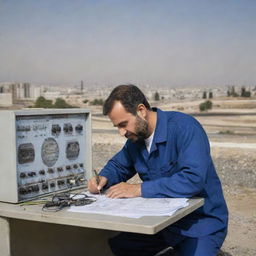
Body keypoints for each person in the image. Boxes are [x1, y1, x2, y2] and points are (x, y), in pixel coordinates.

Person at [88, 84, 228, 256]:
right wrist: (103, 178)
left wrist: (138, 189)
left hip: (200, 223)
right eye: (117, 126)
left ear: (141, 110)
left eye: (123, 124)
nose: (121, 132)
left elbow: (193, 179)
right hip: (165, 225)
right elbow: (118, 165)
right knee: (120, 246)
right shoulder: (136, 138)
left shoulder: (185, 128)